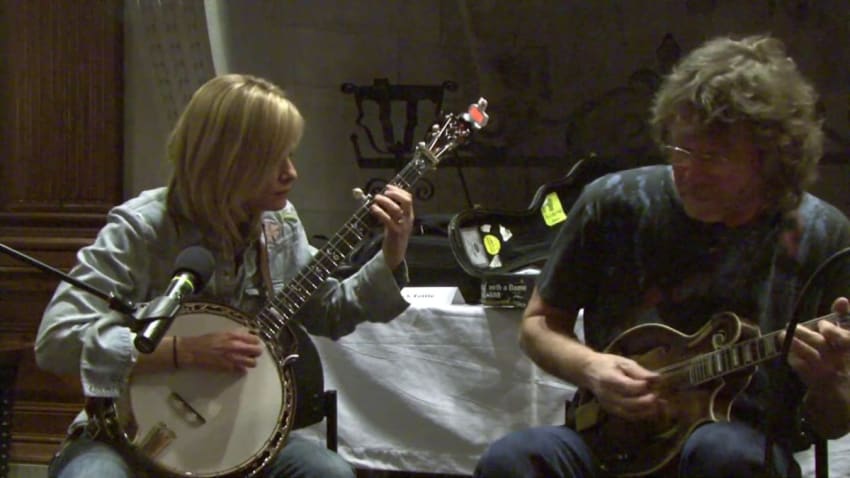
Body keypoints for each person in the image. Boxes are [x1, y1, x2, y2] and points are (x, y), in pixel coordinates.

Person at [475, 34, 850, 478]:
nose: (686, 171)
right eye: (679, 148)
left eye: (712, 156)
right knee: (511, 461)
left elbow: (833, 421)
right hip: (612, 442)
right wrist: (592, 368)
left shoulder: (821, 236)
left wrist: (829, 381)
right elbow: (539, 324)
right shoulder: (613, 201)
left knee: (723, 454)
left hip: (741, 448)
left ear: (770, 160)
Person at [35, 73, 415, 478]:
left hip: (235, 439)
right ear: (227, 159)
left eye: (291, 156)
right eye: (275, 160)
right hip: (125, 435)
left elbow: (329, 311)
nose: (291, 173)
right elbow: (57, 341)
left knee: (327, 473)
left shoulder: (279, 224)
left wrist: (392, 253)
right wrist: (183, 350)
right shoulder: (142, 228)